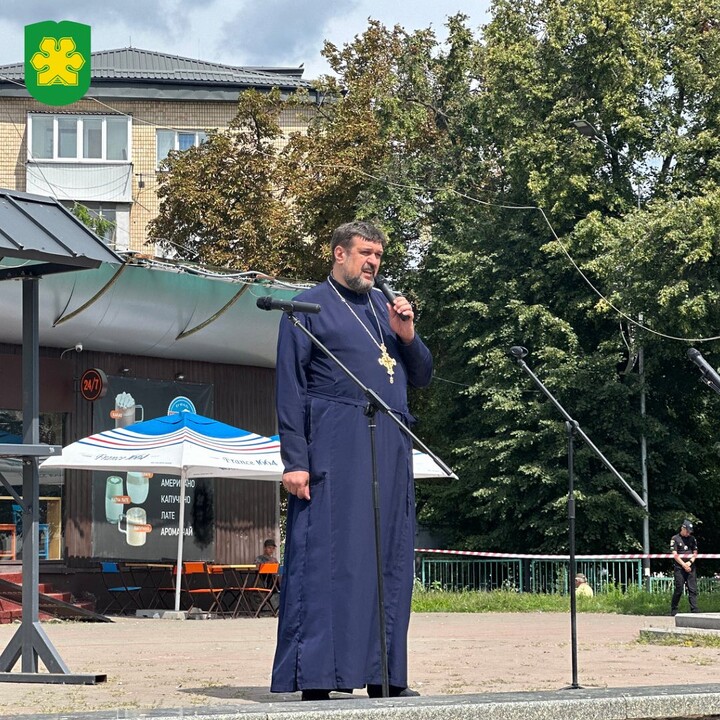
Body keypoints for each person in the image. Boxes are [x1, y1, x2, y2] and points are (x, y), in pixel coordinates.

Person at [270, 221, 433, 701]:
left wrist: (408, 335)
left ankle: (385, 674)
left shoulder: (386, 309)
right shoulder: (307, 307)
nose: (373, 263)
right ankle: (319, 676)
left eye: (378, 255)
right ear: (339, 253)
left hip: (390, 445)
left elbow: (422, 376)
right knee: (331, 559)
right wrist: (295, 460)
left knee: (387, 560)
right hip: (334, 443)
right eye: (365, 253)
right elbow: (289, 388)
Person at [670, 519, 699, 615]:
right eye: (687, 531)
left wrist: (690, 562)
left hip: (690, 567)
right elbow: (675, 554)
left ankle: (694, 609)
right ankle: (674, 608)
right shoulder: (675, 538)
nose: (688, 533)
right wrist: (683, 564)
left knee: (692, 589)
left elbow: (695, 552)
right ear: (683, 528)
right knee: (679, 588)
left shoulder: (692, 539)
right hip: (679, 567)